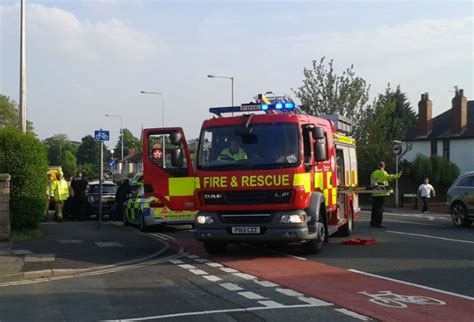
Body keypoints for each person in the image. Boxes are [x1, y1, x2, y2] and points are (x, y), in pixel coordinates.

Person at [370, 161, 402, 228]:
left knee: (374, 209)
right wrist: (398, 175)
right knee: (380, 210)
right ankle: (378, 224)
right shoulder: (383, 172)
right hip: (381, 193)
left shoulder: (373, 173)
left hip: (374, 192)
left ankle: (372, 223)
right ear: (383, 167)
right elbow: (390, 177)